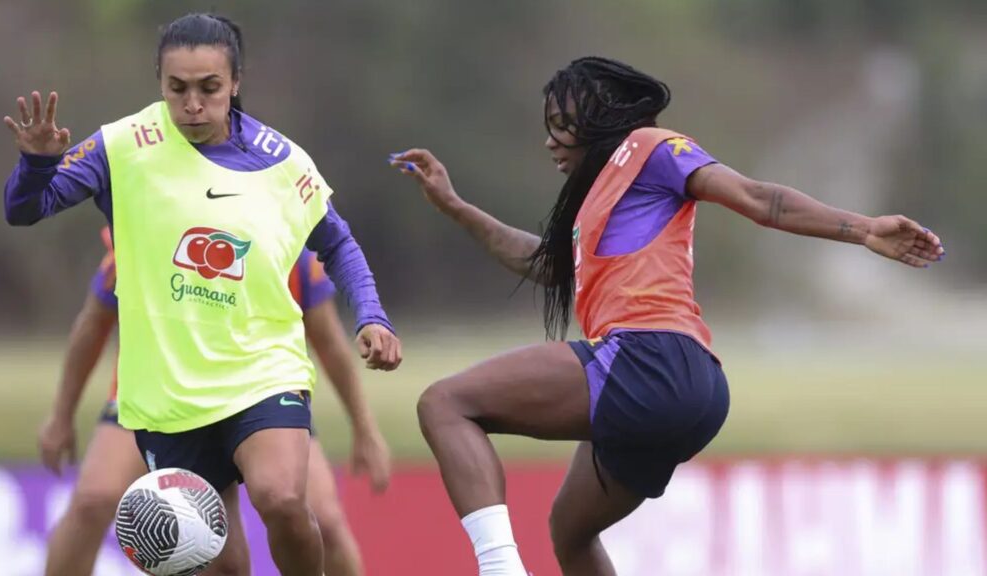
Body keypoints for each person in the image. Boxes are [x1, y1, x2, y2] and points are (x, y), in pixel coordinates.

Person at [389, 56, 944, 576]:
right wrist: (456, 207)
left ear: (597, 117)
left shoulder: (650, 147)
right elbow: (545, 265)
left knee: (444, 402)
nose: (549, 139)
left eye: (561, 122)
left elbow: (756, 198)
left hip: (649, 360)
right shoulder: (596, 202)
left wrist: (863, 229)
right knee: (570, 531)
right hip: (692, 388)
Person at [3, 13, 401, 575]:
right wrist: (36, 165)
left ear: (235, 82)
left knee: (283, 500)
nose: (193, 103)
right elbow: (25, 211)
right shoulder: (122, 145)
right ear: (159, 82)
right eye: (178, 88)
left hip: (263, 374)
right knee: (222, 565)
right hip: (167, 395)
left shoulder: (283, 163)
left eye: (209, 88)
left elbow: (339, 244)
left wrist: (373, 316)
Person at [38, 228, 389, 576]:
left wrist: (365, 428)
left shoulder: (284, 241)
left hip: (264, 391)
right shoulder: (150, 232)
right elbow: (93, 324)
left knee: (322, 520)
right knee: (94, 500)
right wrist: (60, 416)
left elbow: (329, 342)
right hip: (158, 398)